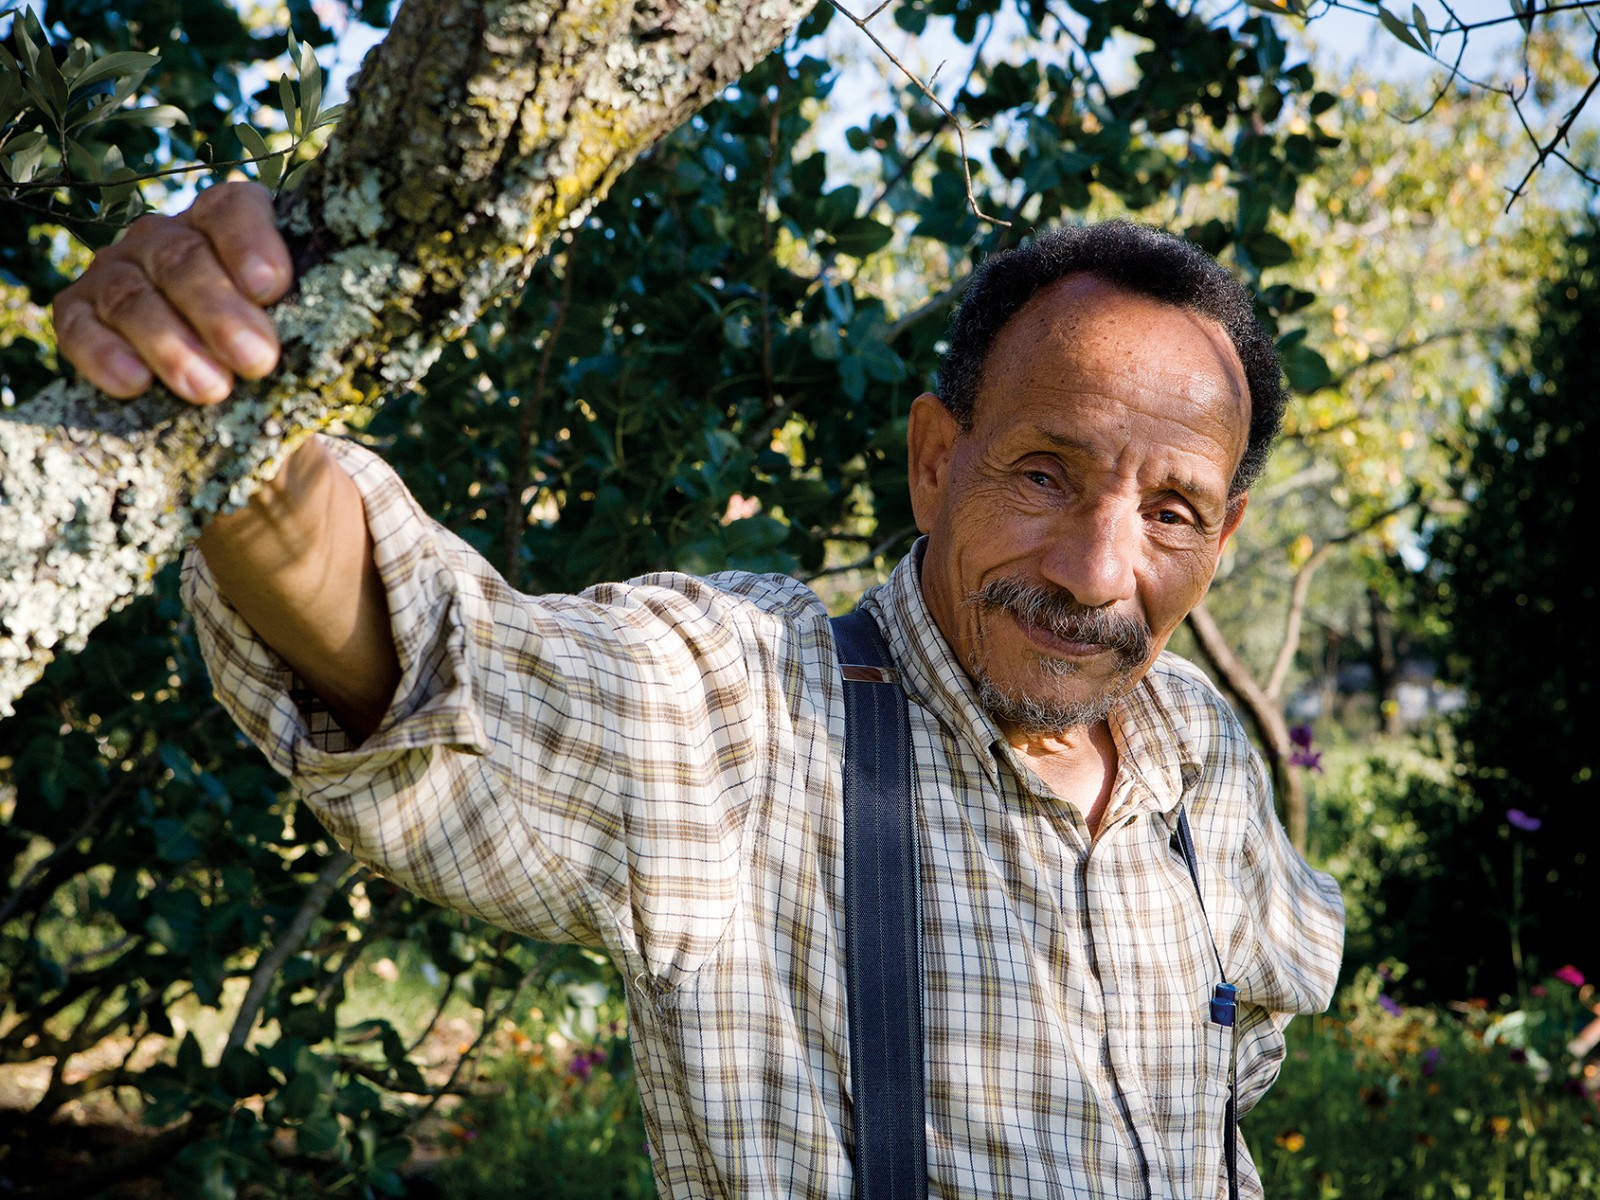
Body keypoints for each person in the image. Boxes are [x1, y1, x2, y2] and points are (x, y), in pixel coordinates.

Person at [55, 180, 1344, 1200]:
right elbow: (454, 670)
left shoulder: (1200, 755)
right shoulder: (752, 713)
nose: (1097, 571)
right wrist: (226, 399)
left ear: (1222, 539)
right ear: (936, 461)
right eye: (1045, 475)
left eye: (1169, 510)